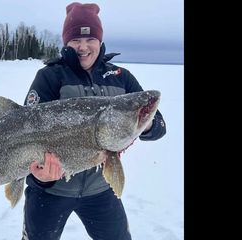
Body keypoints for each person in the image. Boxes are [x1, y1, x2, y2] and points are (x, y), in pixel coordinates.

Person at [21, 2, 166, 240]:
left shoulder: (121, 78)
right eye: (76, 39)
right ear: (66, 42)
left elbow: (159, 127)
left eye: (90, 39)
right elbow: (23, 133)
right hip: (51, 190)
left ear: (100, 41)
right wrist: (40, 178)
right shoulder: (50, 76)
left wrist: (143, 123)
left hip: (101, 189)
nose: (83, 46)